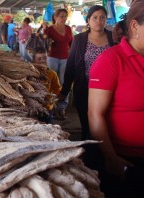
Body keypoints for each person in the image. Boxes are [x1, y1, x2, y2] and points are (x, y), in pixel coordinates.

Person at [88, 1, 144, 197]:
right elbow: (95, 113)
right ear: (135, 26)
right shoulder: (111, 60)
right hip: (127, 159)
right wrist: (110, 157)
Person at [59, 5, 114, 140]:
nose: (98, 21)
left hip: (109, 90)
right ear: (88, 20)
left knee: (107, 124)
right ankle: (89, 153)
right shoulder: (79, 40)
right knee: (87, 125)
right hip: (85, 88)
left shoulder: (113, 38)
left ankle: (105, 151)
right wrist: (64, 91)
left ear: (106, 20)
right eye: (94, 17)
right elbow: (71, 66)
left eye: (102, 17)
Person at [44, 8, 73, 119]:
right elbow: (45, 41)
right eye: (61, 16)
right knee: (52, 81)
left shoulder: (68, 28)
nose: (64, 18)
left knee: (64, 82)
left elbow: (71, 43)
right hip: (52, 58)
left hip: (65, 58)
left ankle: (62, 107)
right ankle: (51, 106)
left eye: (65, 16)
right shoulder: (50, 29)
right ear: (55, 17)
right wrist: (44, 30)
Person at [33, 47, 61, 124]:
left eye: (44, 58)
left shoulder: (52, 74)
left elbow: (57, 89)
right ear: (33, 60)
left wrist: (52, 99)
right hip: (33, 107)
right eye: (39, 59)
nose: (42, 61)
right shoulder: (30, 74)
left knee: (48, 125)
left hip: (47, 107)